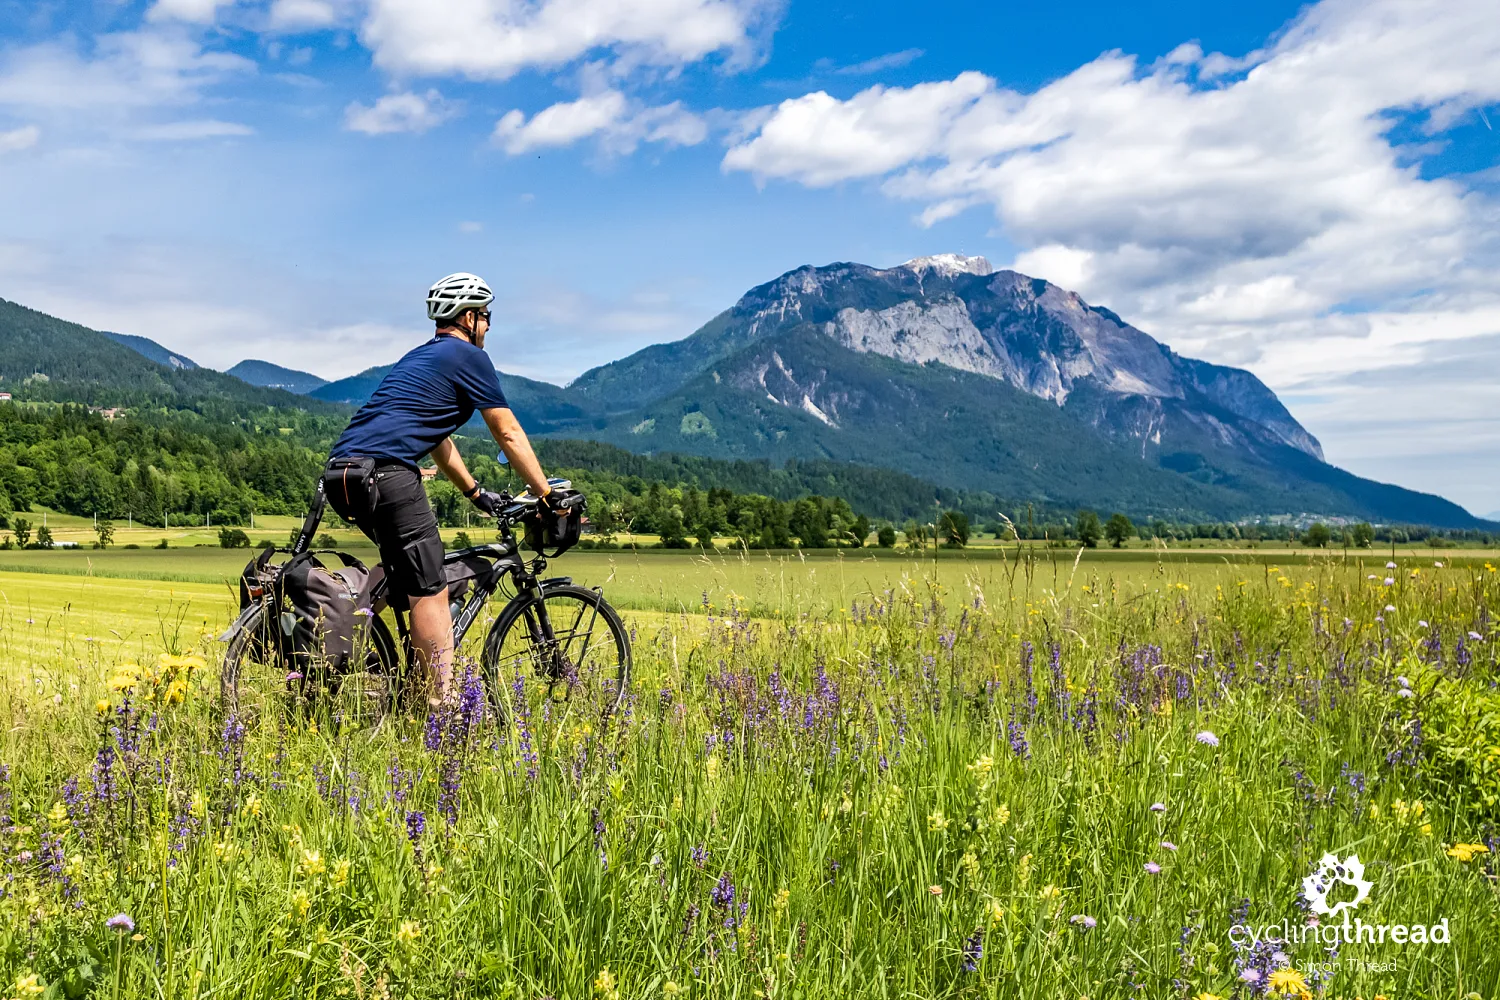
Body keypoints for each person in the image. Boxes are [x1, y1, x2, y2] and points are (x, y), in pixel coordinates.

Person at [324, 271, 561, 705]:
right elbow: (506, 432)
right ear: (468, 317)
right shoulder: (469, 357)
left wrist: (474, 492)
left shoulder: (420, 358)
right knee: (430, 585)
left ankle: (375, 667)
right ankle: (442, 707)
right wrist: (547, 495)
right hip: (387, 473)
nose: (489, 325)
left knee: (404, 574)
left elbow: (436, 439)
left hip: (342, 474)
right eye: (486, 316)